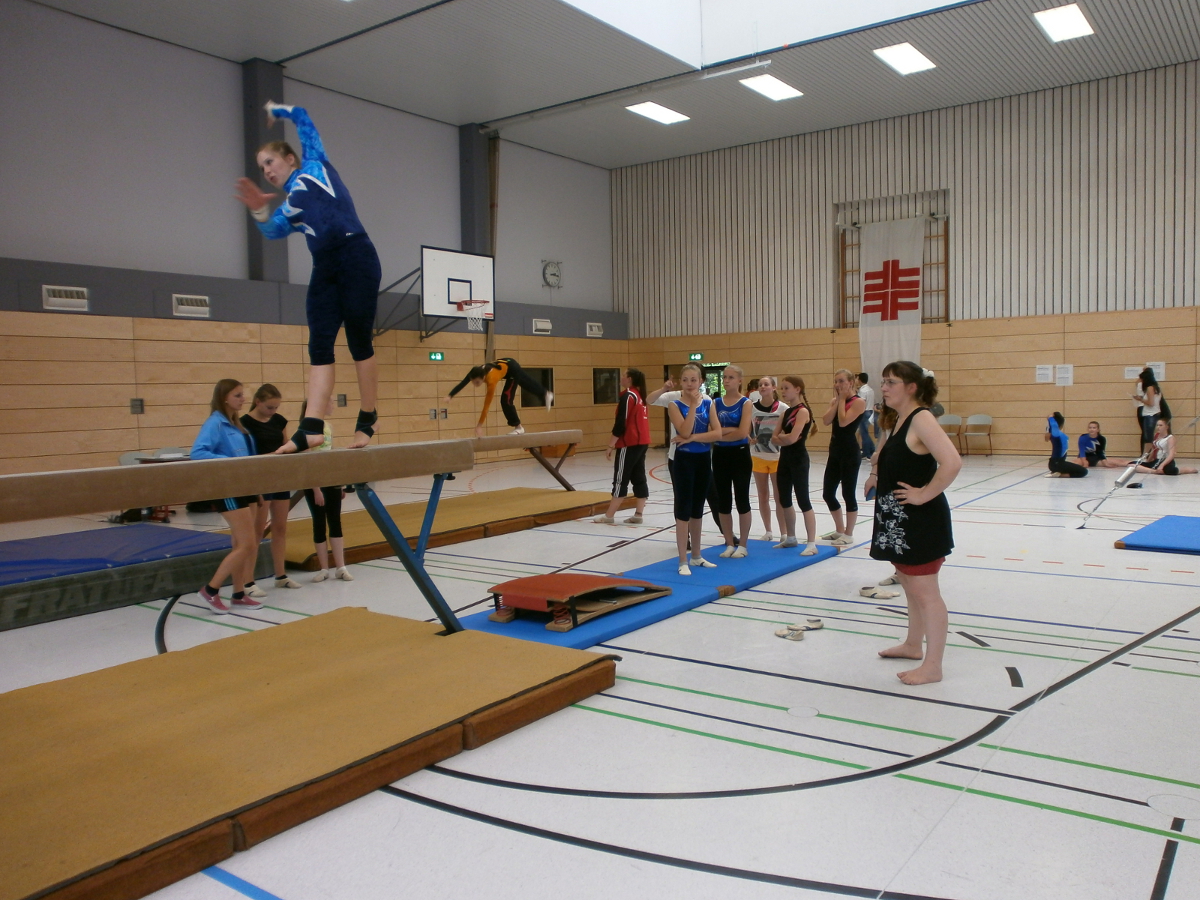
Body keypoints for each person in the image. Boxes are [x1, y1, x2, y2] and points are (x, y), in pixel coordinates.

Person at [235, 102, 381, 452]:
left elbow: (302, 116)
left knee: (359, 341)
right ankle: (311, 426)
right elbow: (272, 231)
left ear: (290, 158)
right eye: (262, 167)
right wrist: (259, 210)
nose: (266, 171)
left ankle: (369, 417)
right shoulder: (288, 208)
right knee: (319, 345)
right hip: (325, 268)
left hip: (356, 256)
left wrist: (276, 109)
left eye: (270, 161)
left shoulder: (316, 165)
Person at [866, 362, 962, 685]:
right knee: (909, 584)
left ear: (912, 387)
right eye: (883, 382)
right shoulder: (898, 419)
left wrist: (924, 494)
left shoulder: (921, 418)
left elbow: (952, 462)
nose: (884, 387)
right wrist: (876, 474)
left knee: (926, 593)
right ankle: (912, 645)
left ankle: (933, 666)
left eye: (890, 382)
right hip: (898, 522)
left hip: (920, 522)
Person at [190, 379, 263, 614]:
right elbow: (198, 452)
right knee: (247, 544)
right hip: (229, 489)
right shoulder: (215, 424)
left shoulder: (236, 424)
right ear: (224, 398)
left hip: (246, 488)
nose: (243, 399)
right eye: (237, 395)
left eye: (242, 394)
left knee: (242, 544)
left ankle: (238, 594)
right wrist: (227, 462)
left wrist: (256, 489)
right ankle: (210, 590)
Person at [241, 384, 303, 595]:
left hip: (279, 479)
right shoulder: (244, 424)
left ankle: (280, 576)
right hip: (259, 480)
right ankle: (248, 581)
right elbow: (246, 455)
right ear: (257, 402)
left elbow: (285, 445)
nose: (273, 411)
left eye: (276, 407)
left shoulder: (279, 421)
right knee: (257, 531)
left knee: (280, 528)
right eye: (269, 407)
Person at [668, 364, 722, 575]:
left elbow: (717, 433)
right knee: (684, 510)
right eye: (685, 380)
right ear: (680, 383)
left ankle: (697, 556)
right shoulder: (674, 405)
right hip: (684, 461)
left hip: (702, 459)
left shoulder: (708, 403)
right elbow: (684, 430)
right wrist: (691, 406)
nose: (689, 384)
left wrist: (693, 438)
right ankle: (683, 560)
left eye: (693, 380)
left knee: (698, 509)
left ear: (701, 382)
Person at [299, 400, 354, 582]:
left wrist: (340, 483)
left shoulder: (328, 427)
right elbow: (307, 461)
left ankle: (341, 567)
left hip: (330, 480)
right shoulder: (306, 429)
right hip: (314, 483)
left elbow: (331, 456)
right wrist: (316, 489)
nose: (332, 405)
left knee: (335, 520)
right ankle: (324, 568)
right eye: (329, 402)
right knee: (319, 522)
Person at [770, 376, 819, 555]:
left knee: (803, 500)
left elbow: (791, 439)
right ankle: (791, 537)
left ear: (797, 389)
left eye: (786, 388)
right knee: (784, 499)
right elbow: (774, 438)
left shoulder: (803, 412)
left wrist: (783, 437)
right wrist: (784, 437)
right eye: (782, 388)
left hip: (799, 460)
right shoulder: (785, 413)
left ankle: (811, 543)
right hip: (785, 459)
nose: (783, 391)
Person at [595, 368, 650, 525]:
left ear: (630, 379)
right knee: (639, 477)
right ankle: (638, 514)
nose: (621, 377)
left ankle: (609, 516)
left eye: (624, 375)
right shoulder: (640, 396)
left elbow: (621, 423)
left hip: (629, 443)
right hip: (642, 442)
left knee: (620, 479)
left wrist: (610, 445)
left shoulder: (629, 396)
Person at [445, 358, 553, 437]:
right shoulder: (474, 372)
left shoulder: (491, 380)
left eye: (477, 382)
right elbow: (463, 383)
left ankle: (519, 427)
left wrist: (479, 425)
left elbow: (486, 406)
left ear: (483, 377)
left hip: (512, 369)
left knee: (506, 399)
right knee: (524, 382)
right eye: (473, 382)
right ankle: (545, 394)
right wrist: (450, 395)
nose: (475, 384)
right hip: (506, 364)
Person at [712, 365, 754, 557]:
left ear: (739, 381)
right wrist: (729, 431)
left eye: (730, 377)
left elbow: (743, 432)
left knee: (742, 499)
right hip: (720, 455)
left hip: (740, 454)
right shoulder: (715, 403)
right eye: (724, 377)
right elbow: (712, 431)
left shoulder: (745, 403)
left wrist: (721, 433)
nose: (726, 380)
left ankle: (743, 545)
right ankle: (729, 543)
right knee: (723, 501)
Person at [821, 369, 866, 545]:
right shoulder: (835, 401)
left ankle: (849, 533)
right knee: (828, 493)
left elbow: (843, 421)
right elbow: (826, 420)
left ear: (851, 383)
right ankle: (839, 529)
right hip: (835, 451)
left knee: (848, 493)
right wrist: (837, 401)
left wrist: (841, 400)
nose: (838, 385)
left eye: (841, 381)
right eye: (836, 381)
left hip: (849, 453)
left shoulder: (858, 402)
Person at [750, 376, 787, 541]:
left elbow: (788, 430)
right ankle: (768, 531)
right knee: (763, 495)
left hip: (777, 457)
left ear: (773, 387)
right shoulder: (751, 408)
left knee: (779, 496)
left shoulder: (783, 408)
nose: (763, 387)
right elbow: (746, 428)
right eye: (760, 385)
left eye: (766, 384)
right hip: (758, 456)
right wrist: (748, 438)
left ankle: (784, 532)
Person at [1132, 367, 1165, 454]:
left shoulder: (1150, 388)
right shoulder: (1156, 387)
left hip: (1150, 414)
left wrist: (1141, 399)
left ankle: (1145, 455)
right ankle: (1146, 455)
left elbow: (1151, 403)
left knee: (1148, 437)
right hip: (1154, 413)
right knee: (1149, 437)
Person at [1045, 413, 1088, 477]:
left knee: (1074, 468)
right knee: (1083, 471)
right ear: (1062, 425)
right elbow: (1053, 424)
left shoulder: (1055, 435)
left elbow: (1050, 427)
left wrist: (1051, 418)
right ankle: (1059, 475)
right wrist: (1051, 417)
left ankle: (1057, 473)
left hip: (1056, 463)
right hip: (1057, 464)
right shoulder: (1057, 434)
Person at [857, 373, 876, 459]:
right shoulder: (870, 390)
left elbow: (862, 402)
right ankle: (870, 450)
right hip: (870, 411)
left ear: (860, 380)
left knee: (864, 433)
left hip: (864, 412)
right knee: (865, 432)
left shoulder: (863, 391)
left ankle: (867, 452)